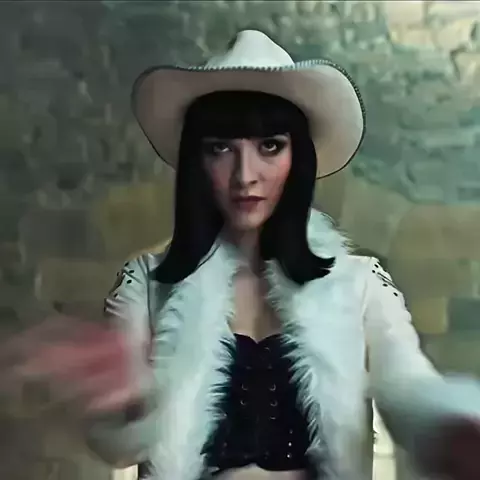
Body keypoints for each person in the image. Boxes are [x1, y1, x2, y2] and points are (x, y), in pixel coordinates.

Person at [2, 29, 480, 480]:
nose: (244, 175)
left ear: (298, 157)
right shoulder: (146, 283)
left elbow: (408, 388)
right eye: (220, 148)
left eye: (269, 146)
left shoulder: (358, 283)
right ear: (197, 160)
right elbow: (120, 447)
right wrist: (119, 400)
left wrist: (455, 429)